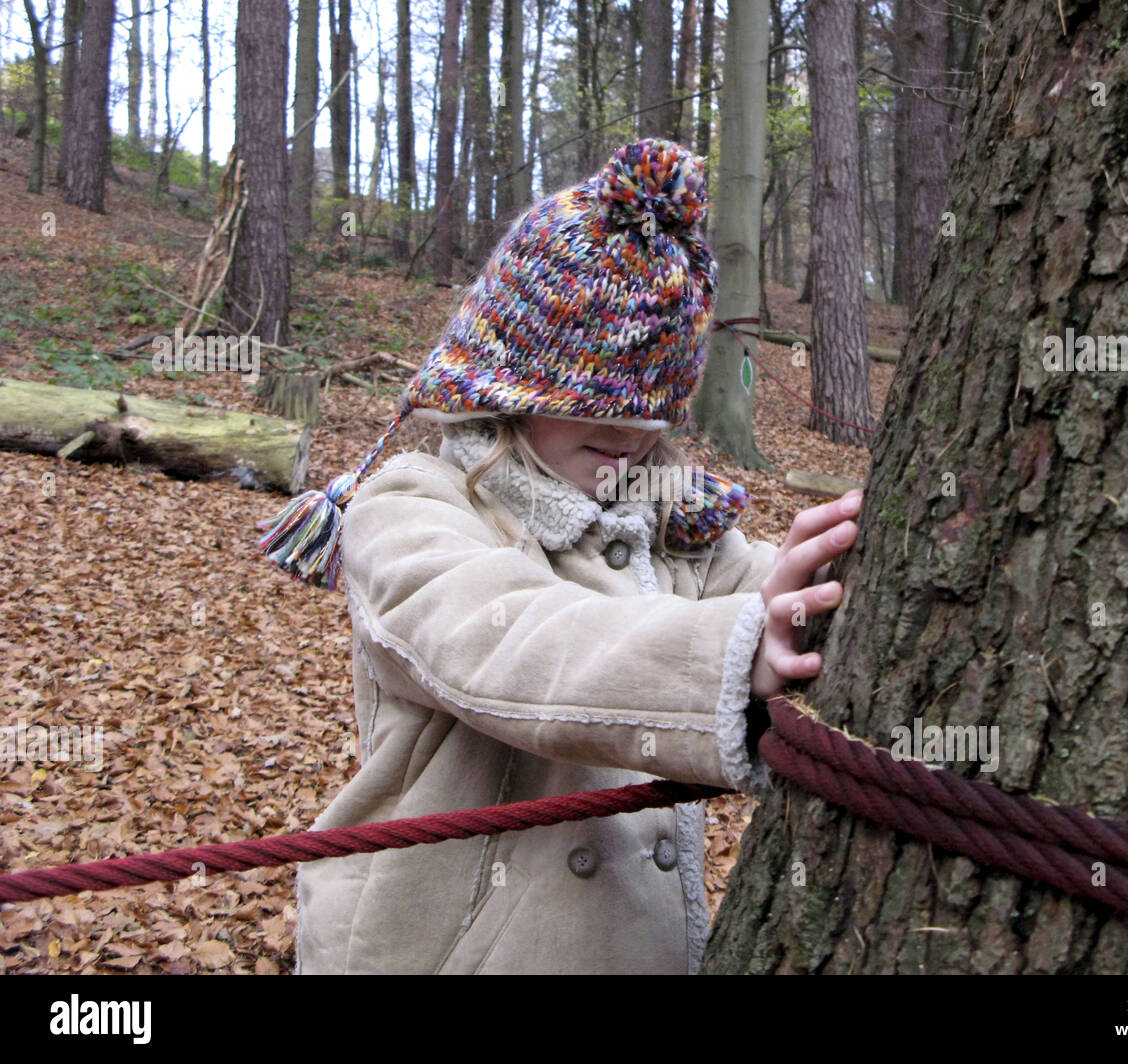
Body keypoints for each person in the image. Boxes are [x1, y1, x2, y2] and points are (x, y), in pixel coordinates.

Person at [257, 138, 863, 974]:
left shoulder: (664, 511)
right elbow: (511, 643)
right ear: (508, 385)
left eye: (649, 413)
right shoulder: (414, 504)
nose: (626, 435)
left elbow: (753, 586)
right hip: (438, 950)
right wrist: (738, 645)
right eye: (590, 404)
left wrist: (818, 581)